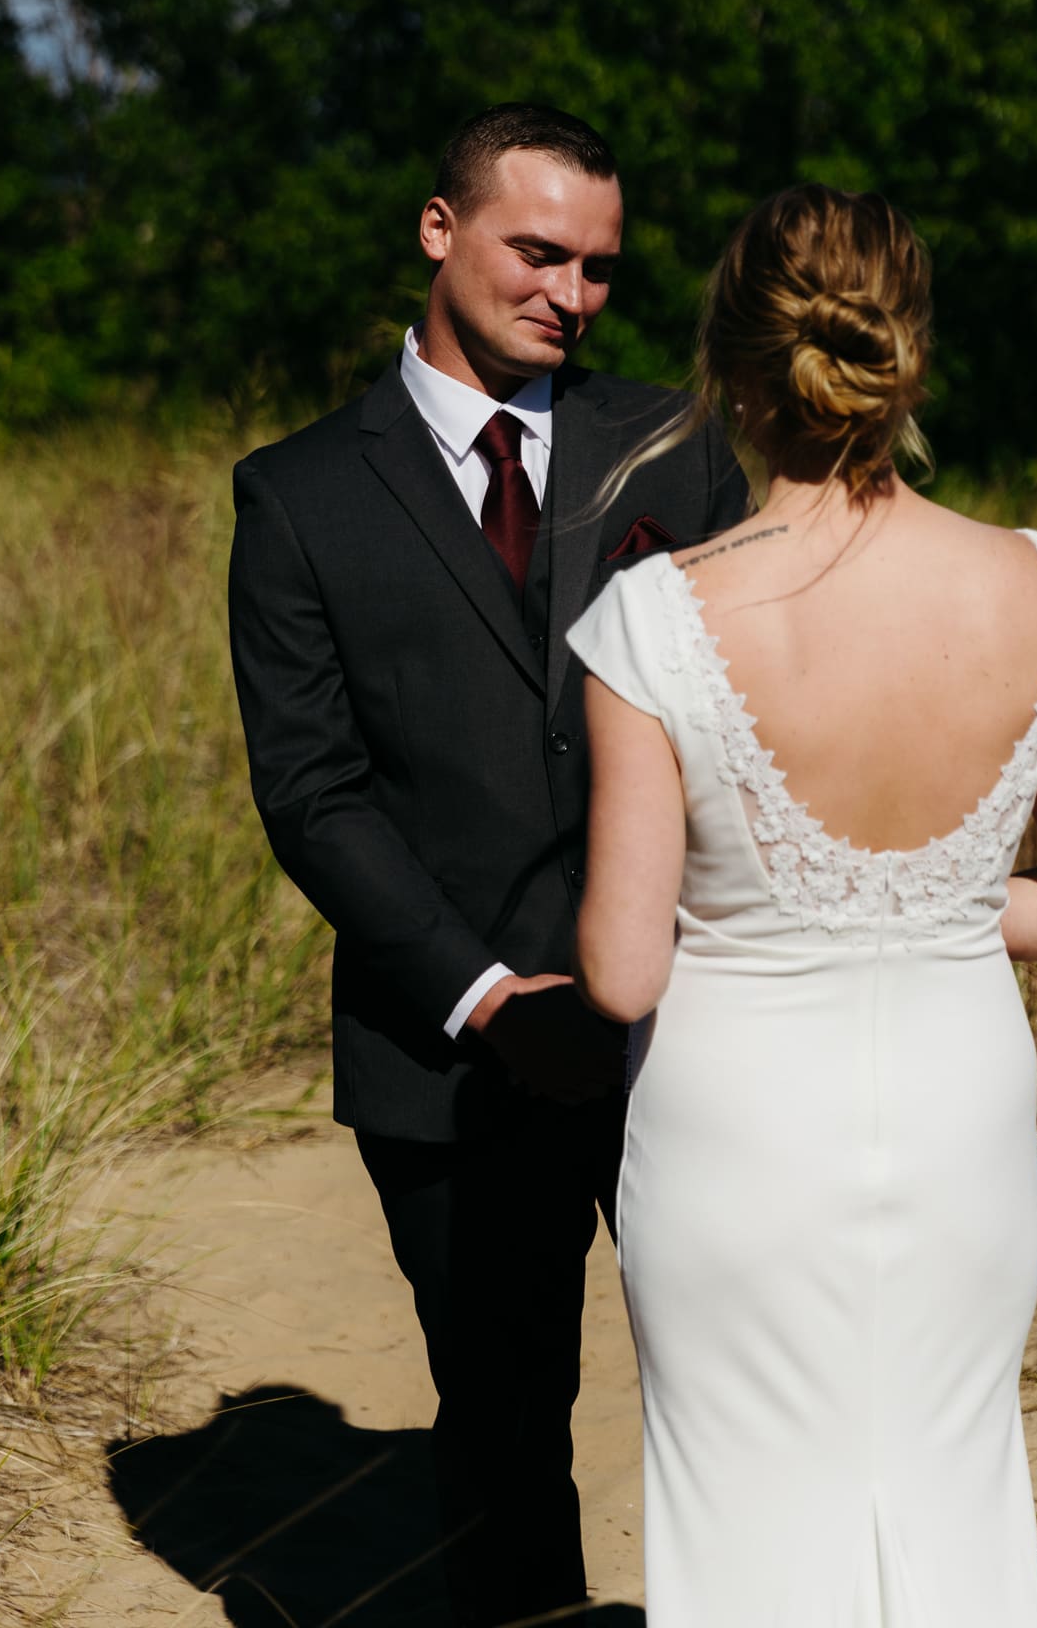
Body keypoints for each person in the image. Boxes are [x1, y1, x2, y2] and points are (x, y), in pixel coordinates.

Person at [565, 183, 1037, 1627]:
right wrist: (926, 908)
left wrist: (774, 914)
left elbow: (626, 973)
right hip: (957, 1121)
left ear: (727, 367)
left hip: (738, 1132)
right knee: (950, 1479)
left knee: (747, 1511)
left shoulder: (657, 615)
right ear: (905, 356)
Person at [227, 103, 747, 1628]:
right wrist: (479, 992)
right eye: (538, 251)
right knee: (505, 1413)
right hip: (446, 1048)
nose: (570, 295)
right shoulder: (299, 493)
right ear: (439, 229)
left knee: (726, 1387)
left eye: (597, 268)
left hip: (686, 1029)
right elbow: (311, 791)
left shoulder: (677, 449)